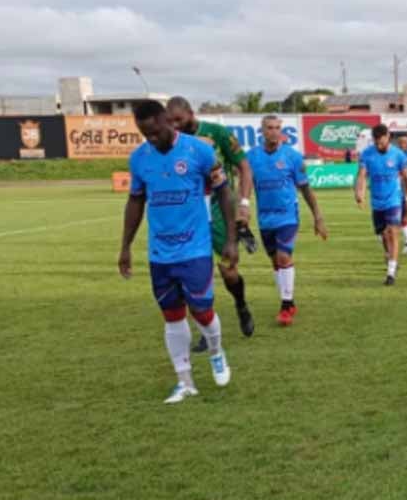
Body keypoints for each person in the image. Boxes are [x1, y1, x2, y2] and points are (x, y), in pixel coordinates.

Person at [118, 100, 234, 403]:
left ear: (168, 121)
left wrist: (231, 239)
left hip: (195, 248)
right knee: (171, 316)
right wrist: (125, 246)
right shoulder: (139, 159)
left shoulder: (199, 151)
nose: (150, 139)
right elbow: (135, 201)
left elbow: (223, 191)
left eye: (154, 132)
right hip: (160, 253)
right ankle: (185, 382)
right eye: (144, 134)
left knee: (202, 312)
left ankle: (216, 350)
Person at [166, 96, 256, 352]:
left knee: (228, 270)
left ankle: (240, 303)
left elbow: (244, 167)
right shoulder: (171, 142)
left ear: (191, 113)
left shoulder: (217, 133)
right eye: (170, 122)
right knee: (195, 272)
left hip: (219, 209)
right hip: (189, 213)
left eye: (179, 120)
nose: (175, 126)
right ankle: (207, 329)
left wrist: (244, 205)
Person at [247, 115, 328, 327]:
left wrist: (318, 217)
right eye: (269, 128)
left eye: (277, 128)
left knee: (283, 258)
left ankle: (286, 304)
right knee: (275, 263)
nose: (274, 131)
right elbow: (245, 186)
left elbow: (306, 189)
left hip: (287, 217)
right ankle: (287, 300)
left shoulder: (292, 157)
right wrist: (243, 208)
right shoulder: (252, 157)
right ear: (262, 131)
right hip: (265, 219)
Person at [355, 124, 407, 285]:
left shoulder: (398, 155)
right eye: (376, 142)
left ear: (387, 137)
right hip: (376, 202)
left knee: (392, 233)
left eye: (381, 141)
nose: (378, 144)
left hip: (394, 200)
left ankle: (391, 273)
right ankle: (390, 256)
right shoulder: (367, 155)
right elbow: (361, 175)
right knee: (382, 235)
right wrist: (359, 193)